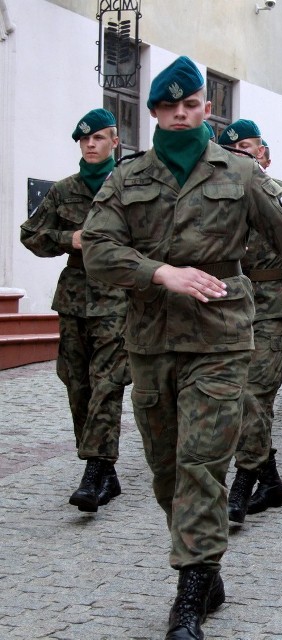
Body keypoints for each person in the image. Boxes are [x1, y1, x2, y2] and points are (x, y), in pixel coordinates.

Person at [81, 56, 282, 640]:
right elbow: (96, 250)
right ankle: (204, 566)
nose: (183, 114)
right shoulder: (127, 177)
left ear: (206, 110)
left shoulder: (240, 174)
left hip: (220, 339)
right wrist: (161, 272)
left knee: (201, 463)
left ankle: (191, 590)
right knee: (165, 469)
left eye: (193, 105)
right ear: (156, 112)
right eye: (171, 106)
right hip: (152, 337)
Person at [20, 108, 130, 513]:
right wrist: (71, 238)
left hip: (118, 298)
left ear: (114, 141)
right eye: (84, 140)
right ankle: (107, 472)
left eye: (98, 138)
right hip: (74, 298)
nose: (90, 144)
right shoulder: (64, 191)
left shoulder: (130, 186)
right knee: (76, 383)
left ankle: (95, 470)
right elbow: (30, 235)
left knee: (107, 383)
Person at [215, 119, 282, 523]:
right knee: (238, 399)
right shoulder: (214, 199)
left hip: (268, 309)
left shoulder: (281, 193)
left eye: (249, 145)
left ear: (263, 151)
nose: (243, 152)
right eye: (234, 147)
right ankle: (271, 479)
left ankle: (244, 480)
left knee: (255, 396)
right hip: (224, 310)